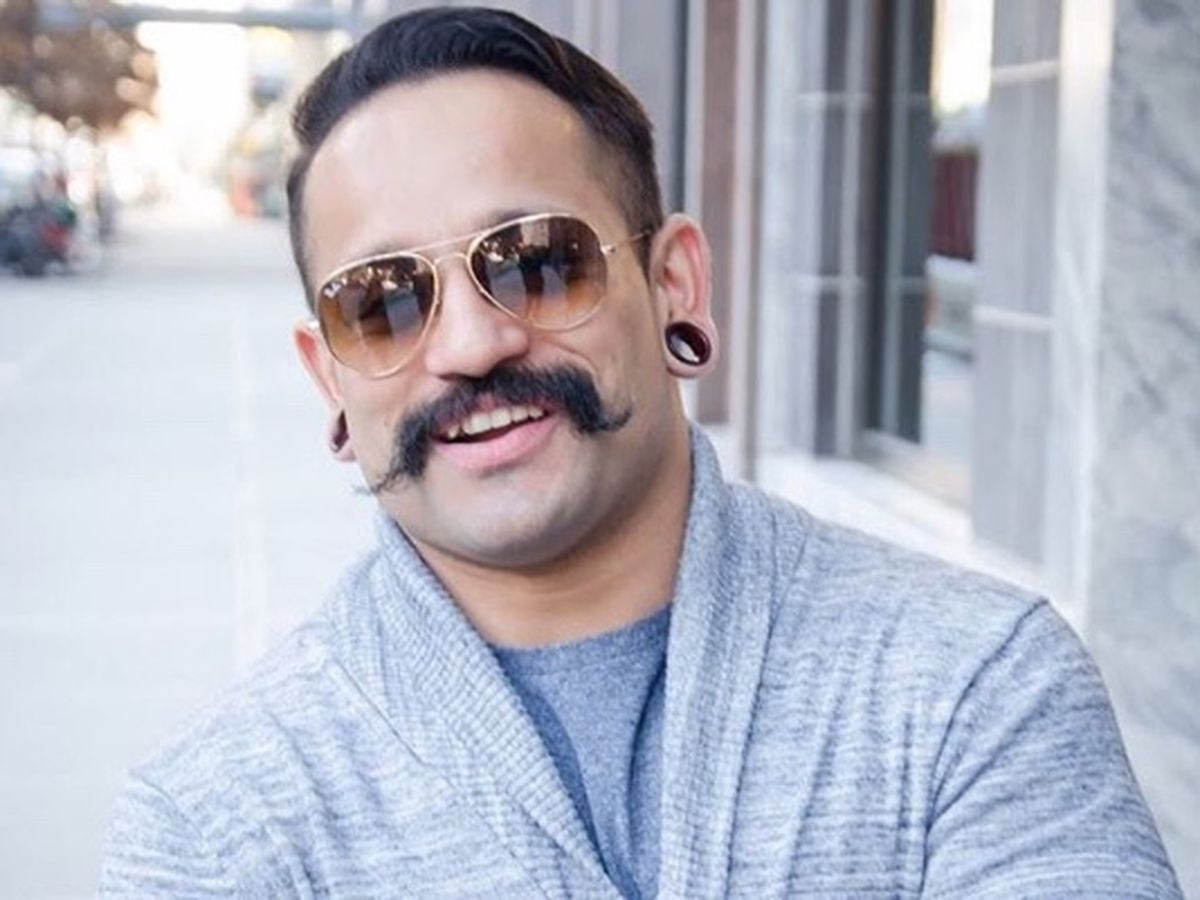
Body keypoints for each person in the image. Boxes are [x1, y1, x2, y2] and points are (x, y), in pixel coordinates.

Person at [100, 7, 1182, 898]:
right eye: (381, 304)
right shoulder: (213, 825)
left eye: (535, 261)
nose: (471, 346)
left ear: (675, 284)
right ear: (329, 373)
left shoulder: (975, 687)